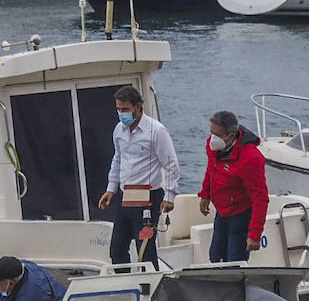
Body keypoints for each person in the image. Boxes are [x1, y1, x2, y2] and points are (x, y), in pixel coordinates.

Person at [97, 84, 181, 269]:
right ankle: (126, 285)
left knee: (145, 249)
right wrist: (111, 189)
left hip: (148, 197)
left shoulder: (156, 131)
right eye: (118, 109)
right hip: (125, 195)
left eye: (125, 109)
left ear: (137, 107)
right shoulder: (119, 130)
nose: (121, 113)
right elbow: (118, 160)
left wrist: (170, 196)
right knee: (117, 249)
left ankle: (150, 290)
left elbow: (171, 164)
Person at [198, 110, 269, 263]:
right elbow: (211, 170)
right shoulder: (213, 147)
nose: (212, 139)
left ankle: (237, 285)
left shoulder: (251, 158)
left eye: (217, 135)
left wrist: (254, 235)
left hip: (241, 215)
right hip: (222, 212)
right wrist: (205, 195)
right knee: (215, 256)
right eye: (211, 133)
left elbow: (261, 198)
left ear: (230, 136)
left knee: (235, 262)